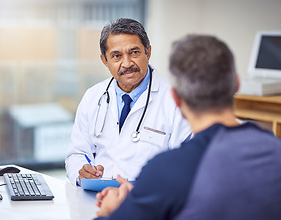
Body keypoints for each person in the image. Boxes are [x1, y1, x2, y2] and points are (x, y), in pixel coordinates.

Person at [86, 35, 281, 220]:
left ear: (176, 99)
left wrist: (111, 211)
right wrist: (151, 198)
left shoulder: (171, 169)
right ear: (236, 84)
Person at [65, 18, 191, 185]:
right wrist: (82, 172)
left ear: (148, 52)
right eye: (116, 56)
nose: (127, 63)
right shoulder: (93, 97)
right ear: (105, 61)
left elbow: (185, 164)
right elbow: (77, 153)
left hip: (148, 203)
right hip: (96, 199)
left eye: (134, 52)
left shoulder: (176, 100)